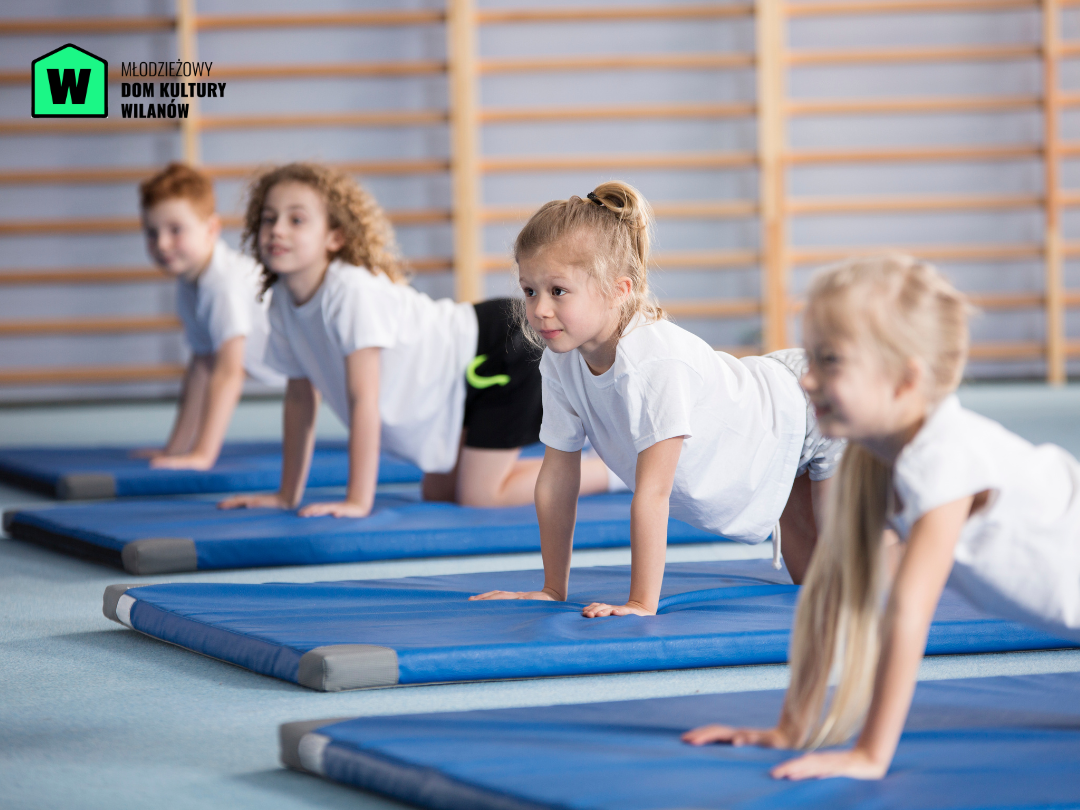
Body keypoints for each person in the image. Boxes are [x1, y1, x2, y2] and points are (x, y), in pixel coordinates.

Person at [683, 254, 1080, 780]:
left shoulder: (943, 458)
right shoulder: (874, 459)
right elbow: (833, 594)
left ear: (904, 380)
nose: (806, 380)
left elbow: (909, 614)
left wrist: (871, 755)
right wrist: (792, 728)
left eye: (830, 361)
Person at [471, 182, 843, 616]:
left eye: (558, 291)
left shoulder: (652, 363)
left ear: (619, 289)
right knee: (814, 589)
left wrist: (640, 602)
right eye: (529, 290)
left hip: (811, 407)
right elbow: (557, 478)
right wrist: (553, 588)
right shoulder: (560, 361)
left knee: (851, 576)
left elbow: (653, 492)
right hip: (773, 433)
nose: (539, 310)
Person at [219, 162, 609, 518]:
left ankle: (610, 473)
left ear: (335, 237)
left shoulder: (349, 292)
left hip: (499, 350)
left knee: (480, 495)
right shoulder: (282, 302)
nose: (277, 230)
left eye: (296, 219)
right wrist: (287, 495)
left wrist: (358, 500)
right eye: (268, 219)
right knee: (439, 493)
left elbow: (363, 401)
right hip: (456, 383)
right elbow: (301, 398)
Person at [137, 162, 283, 470]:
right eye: (152, 232)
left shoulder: (222, 285)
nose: (162, 244)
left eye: (175, 230)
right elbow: (202, 365)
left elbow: (229, 372)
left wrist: (203, 455)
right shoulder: (189, 282)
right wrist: (175, 449)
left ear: (211, 230)